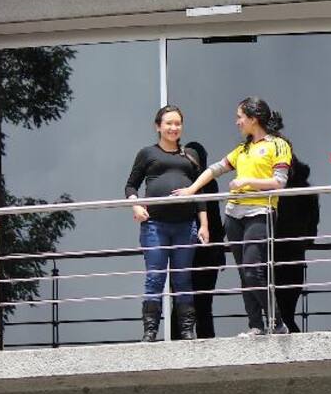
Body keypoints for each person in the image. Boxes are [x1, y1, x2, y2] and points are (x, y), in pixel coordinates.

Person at [175, 98, 292, 336]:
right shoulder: (243, 149)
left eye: (240, 116)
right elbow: (215, 168)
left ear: (253, 118)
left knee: (253, 269)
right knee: (243, 272)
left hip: (260, 212)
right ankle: (256, 325)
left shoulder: (278, 145)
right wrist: (191, 189)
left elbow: (279, 182)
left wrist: (247, 182)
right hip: (234, 216)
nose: (237, 121)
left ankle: (277, 322)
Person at [124, 105, 209, 342]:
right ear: (158, 126)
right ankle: (150, 332)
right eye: (169, 123)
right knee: (155, 277)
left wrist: (204, 225)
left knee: (183, 277)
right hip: (155, 226)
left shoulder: (190, 155)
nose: (173, 128)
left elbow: (199, 193)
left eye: (177, 124)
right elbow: (130, 185)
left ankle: (186, 331)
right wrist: (136, 205)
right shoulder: (147, 154)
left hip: (185, 225)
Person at [173, 141, 225, 339]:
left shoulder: (208, 183)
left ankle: (201, 347)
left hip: (203, 251)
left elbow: (214, 219)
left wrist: (218, 251)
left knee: (200, 303)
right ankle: (180, 345)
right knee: (188, 304)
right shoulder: (185, 180)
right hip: (191, 250)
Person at [274, 155, 320, 332]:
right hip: (293, 248)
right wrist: (309, 238)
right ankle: (285, 323)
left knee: (278, 293)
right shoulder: (305, 190)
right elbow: (313, 220)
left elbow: (313, 219)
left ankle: (283, 324)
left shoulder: (279, 188)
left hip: (280, 247)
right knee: (289, 294)